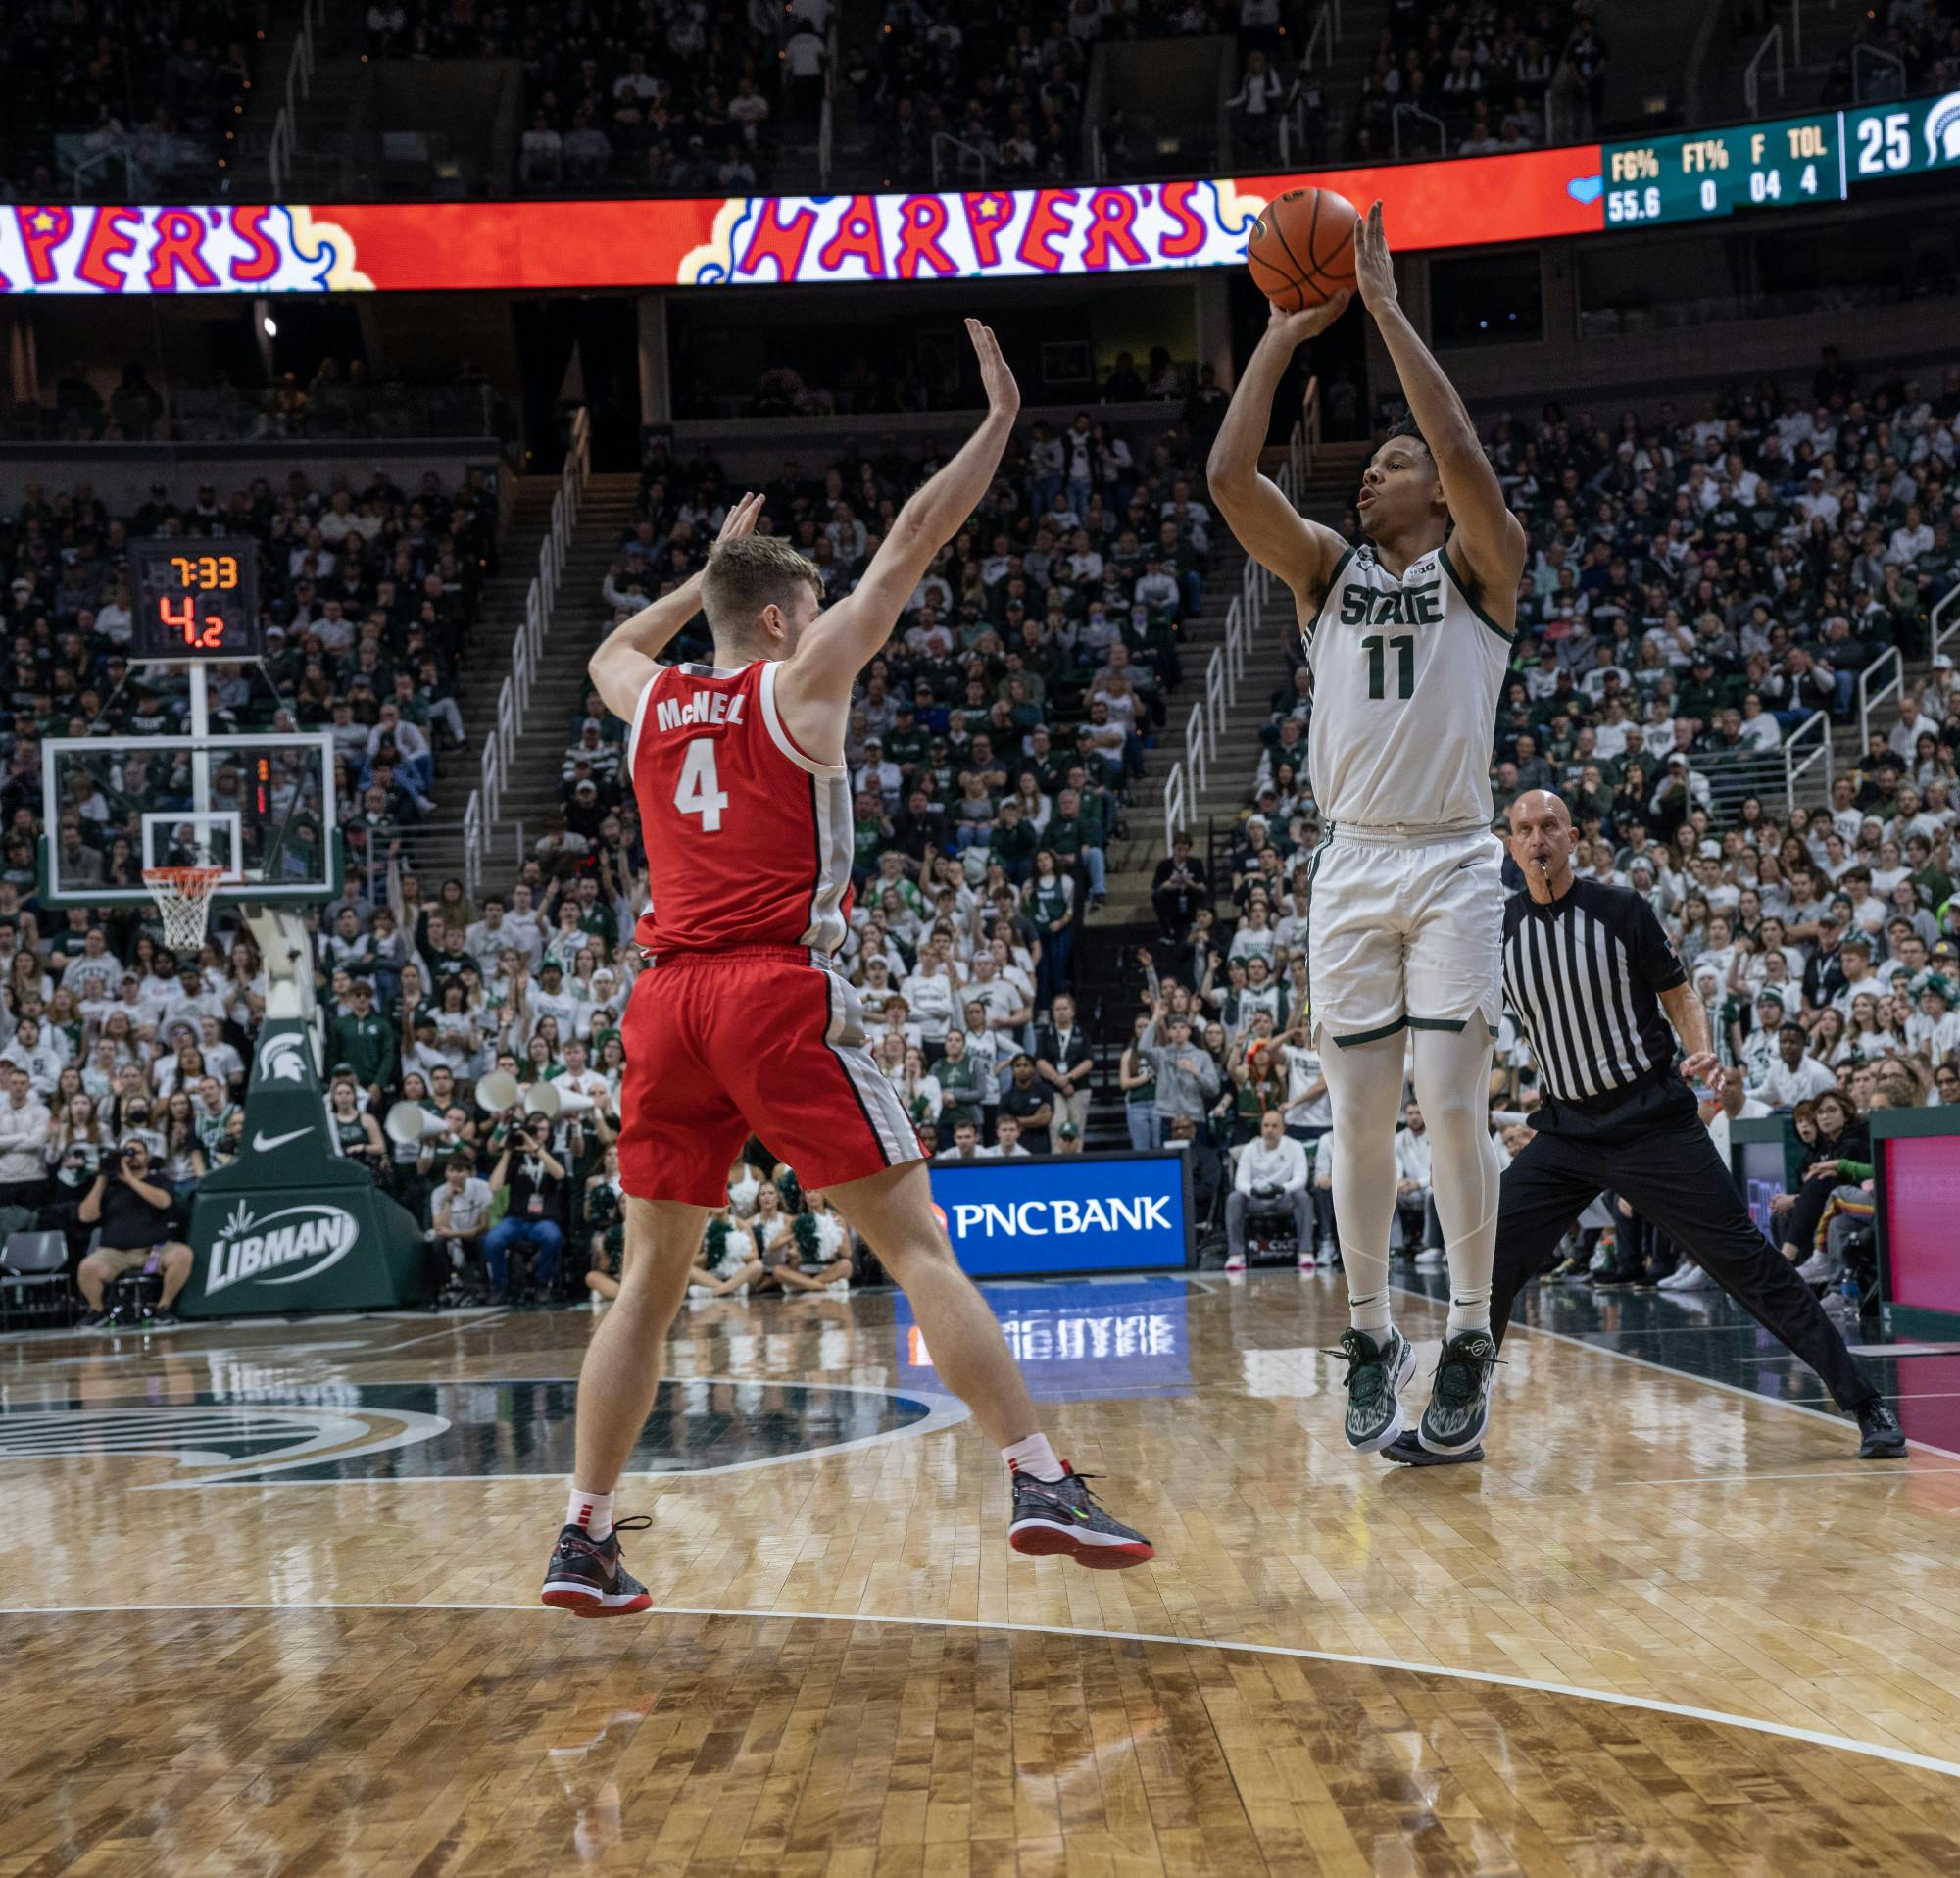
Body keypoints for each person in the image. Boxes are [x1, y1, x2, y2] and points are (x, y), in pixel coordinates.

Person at [543, 323, 1151, 1618]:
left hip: (663, 1007)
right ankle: (1038, 1476)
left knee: (648, 1285)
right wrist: (995, 428)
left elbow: (611, 650)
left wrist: (699, 575)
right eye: (806, 610)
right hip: (770, 987)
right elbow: (915, 541)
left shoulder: (647, 699)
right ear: (779, 618)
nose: (831, 625)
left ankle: (583, 1535)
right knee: (915, 1242)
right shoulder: (797, 682)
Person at [1207, 201, 1520, 1456]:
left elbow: (1461, 458)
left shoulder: (1479, 567)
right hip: (1348, 858)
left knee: (1450, 1106)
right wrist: (1280, 336)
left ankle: (1471, 1333)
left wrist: (1385, 310)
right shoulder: (1325, 570)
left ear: (1427, 496)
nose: (1366, 475)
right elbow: (1230, 479)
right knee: (1352, 1117)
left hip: (1450, 852)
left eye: (1386, 466)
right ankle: (1370, 1330)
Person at [1451, 792, 1904, 1464]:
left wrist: (1701, 1051)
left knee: (1747, 1265)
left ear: (1573, 838)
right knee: (1487, 1264)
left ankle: (1866, 1404)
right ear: (1510, 846)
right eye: (1524, 830)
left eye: (1549, 827)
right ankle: (1456, 1414)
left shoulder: (1622, 911)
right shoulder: (1498, 932)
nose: (1537, 839)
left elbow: (1679, 992)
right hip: (1567, 1132)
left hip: (1651, 1124)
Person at [74, 1139, 193, 1331]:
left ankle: (162, 1308)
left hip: (153, 1252)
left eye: (135, 1152)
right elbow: (86, 1216)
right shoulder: (109, 1187)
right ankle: (97, 1311)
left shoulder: (158, 1180)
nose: (130, 1158)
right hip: (115, 1253)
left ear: (147, 1157)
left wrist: (130, 1179)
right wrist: (102, 1178)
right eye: (126, 1154)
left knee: (182, 1255)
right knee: (88, 1267)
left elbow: (163, 1202)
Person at [485, 1113, 565, 1302]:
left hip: (544, 1219)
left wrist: (536, 1149)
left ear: (549, 1133)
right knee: (492, 1240)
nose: (537, 1133)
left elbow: (559, 1174)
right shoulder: (516, 1158)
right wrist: (507, 1151)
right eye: (533, 1129)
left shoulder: (555, 1154)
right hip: (516, 1219)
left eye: (542, 1129)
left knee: (553, 1237)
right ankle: (500, 1286)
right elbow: (494, 1187)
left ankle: (542, 1283)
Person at [1225, 1109, 1311, 1272]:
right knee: (1234, 1198)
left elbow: (1301, 1179)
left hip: (1283, 1197)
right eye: (1266, 1126)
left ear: (1283, 1128)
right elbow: (1240, 1181)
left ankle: (1305, 1252)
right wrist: (1253, 1191)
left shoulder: (1295, 1146)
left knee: (1303, 1196)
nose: (1270, 1130)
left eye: (1274, 1126)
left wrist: (1282, 1188)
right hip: (1256, 1198)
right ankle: (1236, 1255)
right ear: (1261, 1128)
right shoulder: (1250, 1148)